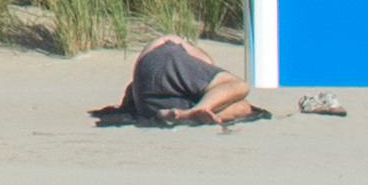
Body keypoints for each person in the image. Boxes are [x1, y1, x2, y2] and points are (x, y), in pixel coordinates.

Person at [98, 35, 265, 125]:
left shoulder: (138, 86)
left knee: (243, 107)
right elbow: (209, 65)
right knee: (239, 85)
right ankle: (195, 110)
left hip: (151, 104)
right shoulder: (180, 48)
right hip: (164, 58)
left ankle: (187, 114)